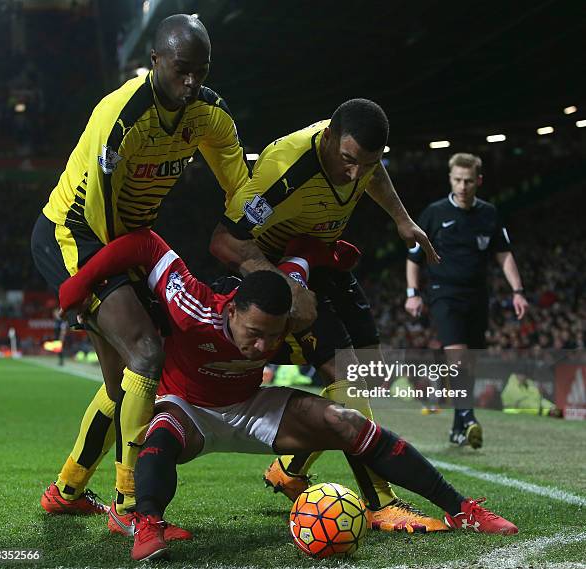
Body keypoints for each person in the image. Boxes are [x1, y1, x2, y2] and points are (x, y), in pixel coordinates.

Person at [57, 228, 518, 562]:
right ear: (232, 309)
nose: (263, 346)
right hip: (188, 409)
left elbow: (299, 255)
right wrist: (74, 288)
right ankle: (148, 523)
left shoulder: (289, 311)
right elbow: (143, 243)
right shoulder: (190, 302)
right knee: (157, 435)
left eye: (271, 338)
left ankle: (461, 509)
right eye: (254, 333)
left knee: (345, 421)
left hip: (251, 405)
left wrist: (331, 254)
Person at [31, 13, 251, 522]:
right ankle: (129, 503)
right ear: (154, 63)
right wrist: (86, 287)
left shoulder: (209, 114)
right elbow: (101, 216)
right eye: (181, 69)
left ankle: (66, 491)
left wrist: (248, 242)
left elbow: (240, 185)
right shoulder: (122, 115)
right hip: (78, 234)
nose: (192, 81)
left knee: (124, 384)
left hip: (129, 239)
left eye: (201, 69)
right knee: (145, 356)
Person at [208, 98, 444, 532]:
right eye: (349, 161)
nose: (355, 173)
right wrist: (284, 286)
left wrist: (401, 219)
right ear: (330, 137)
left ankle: (289, 471)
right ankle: (381, 504)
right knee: (343, 374)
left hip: (324, 259)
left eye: (367, 163)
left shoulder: (359, 157)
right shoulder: (284, 169)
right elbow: (224, 241)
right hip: (280, 266)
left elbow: (373, 173)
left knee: (368, 370)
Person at [405, 152, 529, 448]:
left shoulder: (489, 214)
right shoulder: (433, 214)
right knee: (457, 357)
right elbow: (413, 257)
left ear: (479, 181)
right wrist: (412, 293)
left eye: (468, 181)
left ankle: (459, 426)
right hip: (444, 293)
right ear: (450, 179)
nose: (462, 186)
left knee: (469, 364)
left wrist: (518, 291)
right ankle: (470, 417)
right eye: (457, 180)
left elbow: (504, 254)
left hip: (478, 296)